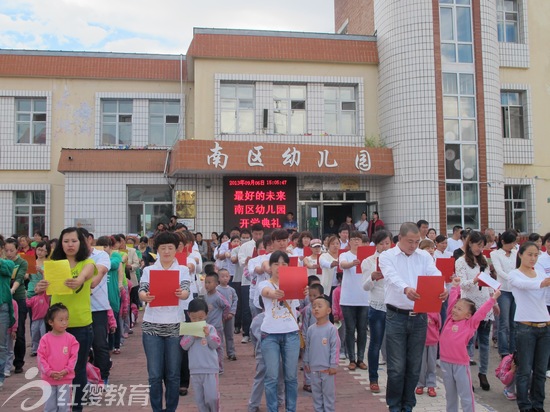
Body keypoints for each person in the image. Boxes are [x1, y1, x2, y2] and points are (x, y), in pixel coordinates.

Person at [379, 222, 447, 412]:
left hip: (419, 317)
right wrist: (406, 288)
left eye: (417, 242)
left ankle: (408, 405)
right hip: (396, 316)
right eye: (410, 241)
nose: (413, 245)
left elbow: (435, 274)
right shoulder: (387, 256)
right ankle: (394, 405)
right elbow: (391, 277)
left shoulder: (424, 256)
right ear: (399, 238)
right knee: (397, 367)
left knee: (414, 366)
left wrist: (442, 288)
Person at [33, 227, 97, 412]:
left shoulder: (88, 263)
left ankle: (76, 408)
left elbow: (86, 274)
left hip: (80, 325)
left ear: (81, 243)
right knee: (53, 370)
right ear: (60, 243)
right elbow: (44, 288)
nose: (70, 245)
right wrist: (41, 286)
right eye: (66, 241)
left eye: (74, 241)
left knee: (77, 371)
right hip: (55, 327)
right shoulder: (54, 265)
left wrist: (79, 280)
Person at [139, 231, 191, 412]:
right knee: (154, 375)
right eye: (163, 248)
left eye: (170, 248)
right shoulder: (149, 270)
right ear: (157, 250)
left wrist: (181, 294)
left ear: (176, 249)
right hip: (151, 325)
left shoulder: (182, 269)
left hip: (175, 325)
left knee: (173, 374)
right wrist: (145, 296)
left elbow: (186, 290)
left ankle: (170, 409)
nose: (167, 252)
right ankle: (156, 409)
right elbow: (142, 291)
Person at [439, 276, 500, 412]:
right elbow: (451, 303)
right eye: (456, 307)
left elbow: (481, 312)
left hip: (460, 365)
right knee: (450, 395)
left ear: (468, 315)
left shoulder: (469, 324)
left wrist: (493, 299)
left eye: (460, 309)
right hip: (445, 362)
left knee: (466, 396)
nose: (455, 310)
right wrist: (455, 287)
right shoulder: (449, 318)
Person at [508, 241, 550, 412]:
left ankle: (538, 406)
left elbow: (544, 295)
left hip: (545, 326)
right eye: (529, 254)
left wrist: (544, 283)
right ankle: (525, 406)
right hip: (525, 327)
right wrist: (543, 283)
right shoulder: (514, 274)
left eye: (536, 255)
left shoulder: (540, 273)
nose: (533, 258)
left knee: (540, 372)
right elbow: (525, 285)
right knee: (524, 370)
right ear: (520, 255)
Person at [259, 250, 301, 412]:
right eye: (276, 263)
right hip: (270, 334)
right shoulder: (265, 284)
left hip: (291, 332)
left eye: (284, 263)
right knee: (271, 377)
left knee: (291, 377)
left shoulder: (295, 282)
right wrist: (274, 293)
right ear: (270, 266)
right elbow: (266, 293)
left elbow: (296, 305)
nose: (280, 267)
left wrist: (303, 291)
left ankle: (291, 409)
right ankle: (272, 409)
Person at [455, 230, 498, 390]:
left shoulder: (483, 260)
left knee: (485, 342)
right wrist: (474, 280)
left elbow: (488, 283)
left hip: (484, 304)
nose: (480, 249)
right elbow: (462, 284)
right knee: (469, 342)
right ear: (470, 243)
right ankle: (468, 376)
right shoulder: (461, 261)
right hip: (469, 305)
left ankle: (483, 373)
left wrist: (493, 301)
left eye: (482, 246)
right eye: (478, 245)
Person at [362, 230, 392, 393]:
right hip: (377, 305)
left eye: (387, 243)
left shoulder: (397, 260)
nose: (385, 246)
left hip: (395, 306)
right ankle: (373, 379)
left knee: (394, 345)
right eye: (381, 243)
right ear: (376, 244)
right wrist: (372, 277)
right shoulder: (368, 261)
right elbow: (365, 286)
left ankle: (394, 379)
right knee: (375, 343)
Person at [180, 298, 221, 412]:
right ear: (189, 315)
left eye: (200, 318)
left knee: (212, 397)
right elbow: (184, 345)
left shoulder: (211, 329)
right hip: (195, 370)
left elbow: (216, 344)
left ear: (206, 315)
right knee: (200, 399)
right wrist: (192, 336)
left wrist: (207, 336)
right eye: (194, 318)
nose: (197, 321)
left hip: (210, 369)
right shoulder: (188, 330)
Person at [37, 303, 79, 412]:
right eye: (60, 320)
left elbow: (73, 358)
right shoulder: (45, 339)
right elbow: (41, 358)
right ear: (51, 322)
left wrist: (66, 371)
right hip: (48, 379)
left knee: (64, 406)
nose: (64, 322)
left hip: (65, 379)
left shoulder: (71, 339)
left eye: (66, 319)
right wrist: (49, 372)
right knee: (50, 406)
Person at [339, 230, 370, 371]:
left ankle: (361, 359)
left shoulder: (368, 256)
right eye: (354, 239)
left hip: (364, 298)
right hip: (348, 299)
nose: (356, 241)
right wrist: (353, 263)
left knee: (362, 330)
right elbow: (343, 265)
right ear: (349, 241)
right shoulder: (344, 255)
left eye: (359, 239)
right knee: (350, 330)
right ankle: (351, 358)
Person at [303, 296, 340, 412]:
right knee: (316, 396)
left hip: (327, 370)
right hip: (314, 369)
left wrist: (333, 364)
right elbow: (308, 347)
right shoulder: (310, 329)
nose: (316, 309)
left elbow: (335, 348)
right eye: (314, 307)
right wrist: (306, 361)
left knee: (328, 396)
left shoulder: (332, 329)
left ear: (328, 310)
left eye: (320, 306)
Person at [490, 230, 518, 358]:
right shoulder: (495, 254)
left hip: (515, 290)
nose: (512, 246)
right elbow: (499, 271)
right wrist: (513, 278)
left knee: (514, 322)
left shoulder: (516, 253)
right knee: (504, 323)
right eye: (510, 243)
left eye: (513, 243)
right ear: (502, 242)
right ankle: (504, 350)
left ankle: (513, 349)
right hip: (504, 290)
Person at [5, 238, 28, 374]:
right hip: (4, 299)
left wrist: (12, 290)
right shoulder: (3, 262)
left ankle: (18, 362)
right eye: (6, 250)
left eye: (11, 250)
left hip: (18, 298)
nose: (9, 253)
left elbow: (19, 278)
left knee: (19, 332)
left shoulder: (22, 262)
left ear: (17, 250)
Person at [204, 271, 230, 373]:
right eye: (206, 282)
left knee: (218, 346)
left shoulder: (218, 296)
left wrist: (223, 317)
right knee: (208, 345)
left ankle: (219, 367)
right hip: (208, 325)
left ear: (216, 284)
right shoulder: (206, 296)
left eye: (209, 282)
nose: (207, 285)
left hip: (217, 326)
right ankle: (210, 365)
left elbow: (226, 305)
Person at [300, 283, 324, 393]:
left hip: (321, 340)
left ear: (322, 296)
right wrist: (304, 339)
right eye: (310, 295)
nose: (312, 298)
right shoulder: (308, 309)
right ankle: (308, 382)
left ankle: (318, 381)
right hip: (309, 340)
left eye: (315, 295)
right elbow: (304, 325)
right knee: (307, 361)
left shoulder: (325, 309)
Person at [415, 311, 440, 397]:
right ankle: (420, 384)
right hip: (420, 341)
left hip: (433, 341)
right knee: (421, 365)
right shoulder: (418, 311)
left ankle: (431, 385)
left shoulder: (435, 312)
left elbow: (438, 325)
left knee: (431, 364)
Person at [217, 268, 238, 361]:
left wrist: (232, 312)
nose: (225, 278)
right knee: (219, 335)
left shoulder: (232, 290)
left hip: (230, 316)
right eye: (222, 276)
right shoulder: (216, 290)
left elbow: (235, 301)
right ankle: (219, 353)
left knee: (230, 335)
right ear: (218, 278)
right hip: (220, 316)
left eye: (227, 276)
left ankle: (231, 352)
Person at [26, 288, 50, 356]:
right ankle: (35, 350)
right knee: (35, 335)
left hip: (43, 320)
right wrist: (26, 296)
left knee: (43, 335)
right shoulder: (33, 298)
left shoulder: (45, 297)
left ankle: (45, 349)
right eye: (37, 287)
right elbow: (28, 303)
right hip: (35, 320)